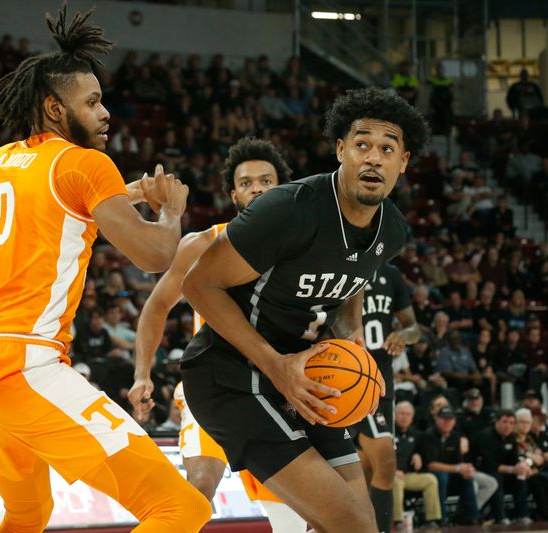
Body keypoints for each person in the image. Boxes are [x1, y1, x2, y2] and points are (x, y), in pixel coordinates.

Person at [0, 6, 211, 533]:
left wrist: (126, 193)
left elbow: (57, 209)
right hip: (24, 364)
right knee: (182, 508)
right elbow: (155, 256)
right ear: (52, 106)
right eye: (91, 102)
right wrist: (171, 210)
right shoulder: (84, 164)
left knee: (27, 514)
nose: (105, 112)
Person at [180, 87, 430, 532]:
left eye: (387, 149)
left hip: (304, 378)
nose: (373, 158)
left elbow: (354, 275)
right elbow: (197, 285)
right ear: (340, 150)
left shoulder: (391, 230)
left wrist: (349, 332)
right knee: (349, 521)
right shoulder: (289, 209)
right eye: (362, 144)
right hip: (232, 375)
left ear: (404, 162)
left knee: (362, 526)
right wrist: (276, 365)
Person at [129, 137, 306, 531]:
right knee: (198, 490)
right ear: (233, 193)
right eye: (247, 182)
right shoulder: (202, 244)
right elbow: (156, 307)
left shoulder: (302, 251)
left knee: (291, 522)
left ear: (283, 189)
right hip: (214, 386)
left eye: (266, 180)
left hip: (275, 390)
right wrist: (142, 374)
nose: (257, 188)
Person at [352, 263, 420, 532]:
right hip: (354, 377)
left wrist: (404, 334)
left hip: (383, 382)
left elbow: (414, 327)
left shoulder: (391, 275)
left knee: (366, 471)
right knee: (386, 465)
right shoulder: (342, 264)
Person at [391, 401, 441, 527]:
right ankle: (399, 521)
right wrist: (392, 470)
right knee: (396, 482)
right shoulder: (388, 433)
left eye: (408, 414)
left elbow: (424, 454)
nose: (404, 417)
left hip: (408, 475)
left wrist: (418, 455)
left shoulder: (417, 435)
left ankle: (432, 520)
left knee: (430, 479)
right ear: (394, 415)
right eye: (401, 413)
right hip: (390, 475)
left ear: (412, 418)